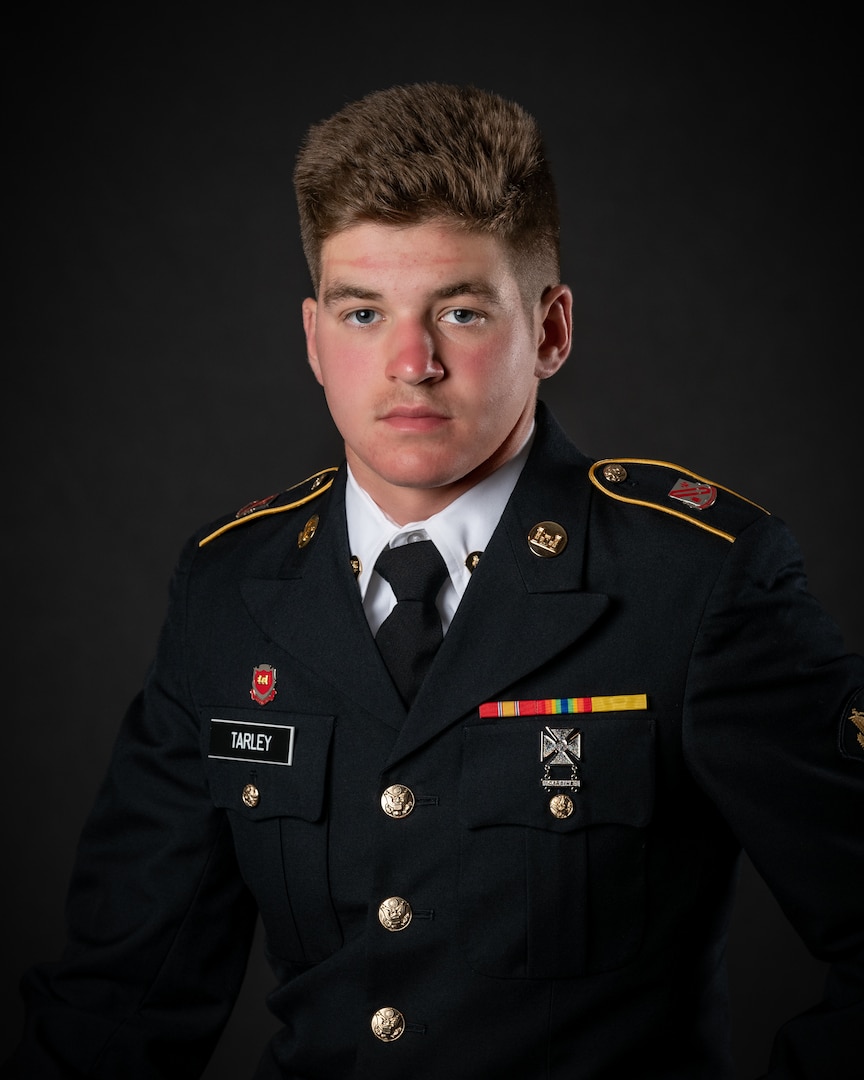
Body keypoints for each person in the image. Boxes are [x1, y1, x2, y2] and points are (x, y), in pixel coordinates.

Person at [5, 82, 862, 1079]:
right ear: (314, 337)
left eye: (459, 311)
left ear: (550, 330)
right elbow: (117, 1006)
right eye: (363, 312)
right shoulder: (229, 590)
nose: (410, 364)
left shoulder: (695, 583)